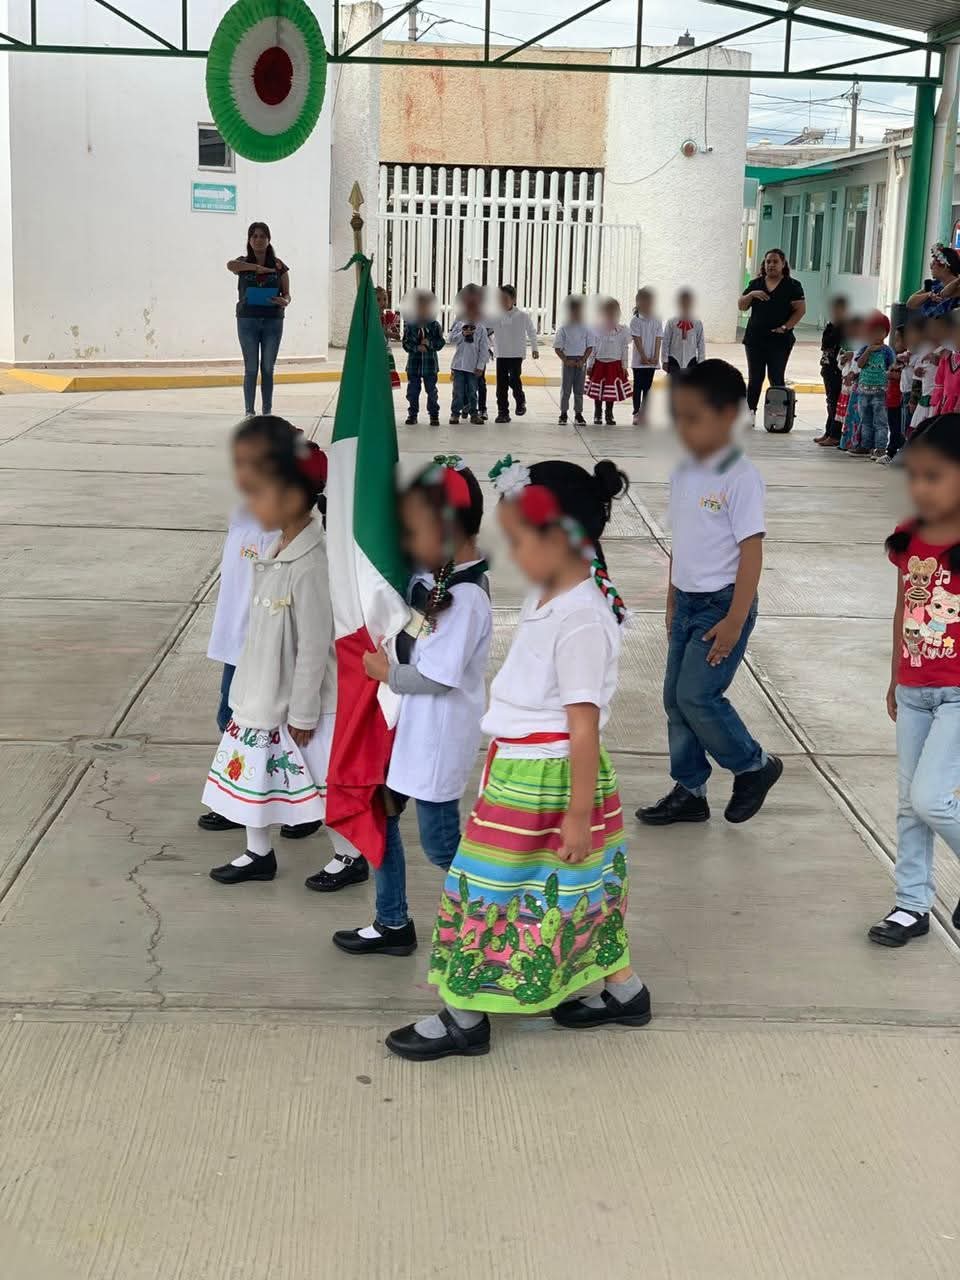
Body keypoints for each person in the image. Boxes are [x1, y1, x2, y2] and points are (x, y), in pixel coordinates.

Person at [385, 455, 650, 1061]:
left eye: (520, 542)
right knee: (581, 890)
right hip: (526, 770)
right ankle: (624, 991)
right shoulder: (556, 592)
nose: (511, 557)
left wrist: (577, 815)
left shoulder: (582, 618)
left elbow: (582, 729)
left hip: (546, 781)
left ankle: (463, 1016)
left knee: (478, 890)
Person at [329, 458, 493, 955]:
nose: (407, 540)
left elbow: (436, 678)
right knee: (382, 813)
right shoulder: (432, 577)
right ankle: (391, 920)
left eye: (415, 528)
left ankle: (493, 925)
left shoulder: (466, 599)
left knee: (444, 845)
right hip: (405, 730)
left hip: (436, 740)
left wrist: (385, 673)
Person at [200, 416, 363, 885]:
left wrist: (306, 712)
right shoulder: (276, 550)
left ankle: (350, 856)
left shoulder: (312, 563)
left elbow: (315, 644)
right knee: (254, 772)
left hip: (296, 702)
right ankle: (257, 852)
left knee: (315, 783)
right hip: (261, 693)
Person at [637, 360, 783, 828]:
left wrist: (736, 619)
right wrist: (672, 599)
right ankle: (690, 790)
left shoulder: (739, 476)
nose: (683, 427)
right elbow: (685, 541)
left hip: (723, 604)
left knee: (698, 696)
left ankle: (753, 766)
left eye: (693, 417)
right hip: (686, 601)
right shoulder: (684, 472)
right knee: (674, 701)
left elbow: (751, 553)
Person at [869, 414, 960, 947]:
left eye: (935, 476)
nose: (921, 488)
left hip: (957, 693)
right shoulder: (908, 539)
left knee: (932, 799)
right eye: (916, 477)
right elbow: (903, 607)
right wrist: (894, 677)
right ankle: (910, 904)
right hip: (914, 688)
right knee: (909, 803)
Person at [197, 427, 278, 836]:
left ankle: (294, 806)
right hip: (236, 641)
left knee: (267, 725)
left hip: (266, 643)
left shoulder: (281, 524)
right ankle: (238, 798)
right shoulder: (242, 513)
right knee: (229, 717)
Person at [227, 222, 290, 418]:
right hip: (247, 320)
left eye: (262, 236)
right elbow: (230, 265)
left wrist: (283, 300)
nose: (258, 239)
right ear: (249, 240)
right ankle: (249, 412)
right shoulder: (242, 263)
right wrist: (257, 268)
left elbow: (287, 295)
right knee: (251, 367)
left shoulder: (279, 266)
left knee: (268, 368)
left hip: (273, 320)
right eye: (254, 236)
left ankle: (267, 412)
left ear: (269, 239)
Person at [739, 248, 806, 417]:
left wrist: (785, 327)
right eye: (768, 261)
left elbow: (800, 310)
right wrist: (752, 294)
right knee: (755, 378)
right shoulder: (756, 284)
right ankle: (750, 413)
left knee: (776, 377)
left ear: (783, 264)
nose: (771, 265)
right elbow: (741, 305)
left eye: (775, 261)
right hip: (755, 339)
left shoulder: (792, 286)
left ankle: (777, 415)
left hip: (779, 340)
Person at [488, 284, 539, 424]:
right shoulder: (496, 316)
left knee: (514, 379)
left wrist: (535, 348)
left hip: (516, 354)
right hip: (501, 354)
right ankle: (503, 413)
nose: (502, 302)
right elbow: (484, 327)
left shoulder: (522, 316)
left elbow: (532, 332)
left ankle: (520, 399)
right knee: (501, 385)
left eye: (505, 299)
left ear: (513, 299)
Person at [849, 310, 895, 459]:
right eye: (873, 331)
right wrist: (868, 350)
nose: (876, 335)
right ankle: (865, 445)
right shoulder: (865, 348)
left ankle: (880, 447)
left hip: (880, 392)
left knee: (880, 421)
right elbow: (860, 364)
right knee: (865, 419)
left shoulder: (887, 351)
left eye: (880, 331)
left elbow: (891, 366)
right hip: (863, 391)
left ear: (885, 333)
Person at [447, 285, 489, 426]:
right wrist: (462, 334)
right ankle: (455, 414)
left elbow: (484, 349)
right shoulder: (459, 323)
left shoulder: (481, 327)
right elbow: (450, 339)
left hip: (473, 367)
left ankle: (473, 413)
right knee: (458, 392)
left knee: (472, 391)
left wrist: (480, 366)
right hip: (459, 365)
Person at [402, 291, 445, 427]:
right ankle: (412, 414)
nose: (422, 310)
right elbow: (406, 343)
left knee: (431, 391)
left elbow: (440, 343)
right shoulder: (410, 325)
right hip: (414, 366)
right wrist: (416, 348)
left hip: (430, 366)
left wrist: (430, 344)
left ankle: (434, 414)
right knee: (413, 391)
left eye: (426, 307)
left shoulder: (434, 326)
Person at [585, 297, 630, 426]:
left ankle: (609, 413)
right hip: (599, 364)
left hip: (615, 364)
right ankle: (597, 413)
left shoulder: (622, 331)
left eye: (613, 312)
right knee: (598, 390)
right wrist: (590, 364)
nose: (610, 314)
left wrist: (624, 366)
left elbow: (624, 348)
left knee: (610, 392)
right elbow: (592, 348)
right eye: (607, 312)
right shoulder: (597, 329)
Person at [908, 312, 952, 439]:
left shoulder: (949, 348)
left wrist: (937, 358)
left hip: (940, 397)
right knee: (918, 429)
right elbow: (917, 377)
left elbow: (951, 366)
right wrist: (913, 399)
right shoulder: (924, 348)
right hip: (925, 396)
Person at [553, 295, 593, 425]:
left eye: (579, 311)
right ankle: (563, 413)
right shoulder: (564, 329)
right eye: (573, 311)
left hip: (581, 361)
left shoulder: (586, 329)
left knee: (579, 390)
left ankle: (578, 414)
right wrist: (565, 360)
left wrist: (583, 360)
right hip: (568, 361)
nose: (576, 314)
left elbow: (590, 347)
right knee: (566, 389)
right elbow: (557, 347)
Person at [815, 295, 847, 446]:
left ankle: (835, 434)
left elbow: (834, 342)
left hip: (837, 369)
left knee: (835, 402)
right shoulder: (831, 325)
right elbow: (824, 343)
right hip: (827, 367)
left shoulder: (845, 327)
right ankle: (829, 431)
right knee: (830, 401)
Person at [629, 287, 663, 425]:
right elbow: (637, 340)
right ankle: (636, 412)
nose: (647, 304)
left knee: (648, 387)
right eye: (644, 301)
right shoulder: (635, 321)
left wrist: (656, 357)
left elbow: (658, 338)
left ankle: (645, 413)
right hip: (639, 361)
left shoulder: (657, 320)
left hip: (651, 361)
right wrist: (643, 356)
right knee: (638, 386)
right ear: (638, 303)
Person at [877, 325, 907, 464]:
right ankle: (893, 451)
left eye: (898, 340)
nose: (896, 344)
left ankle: (892, 452)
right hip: (891, 398)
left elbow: (900, 375)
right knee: (893, 426)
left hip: (899, 399)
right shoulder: (899, 358)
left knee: (898, 428)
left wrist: (890, 374)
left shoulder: (907, 358)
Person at [905, 243, 960, 318]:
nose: (931, 266)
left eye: (934, 263)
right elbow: (910, 304)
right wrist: (928, 295)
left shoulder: (957, 287)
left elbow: (945, 294)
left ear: (945, 267)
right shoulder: (933, 284)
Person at [837, 315, 865, 453]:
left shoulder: (866, 344)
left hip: (859, 383)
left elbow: (860, 363)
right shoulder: (850, 344)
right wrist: (843, 361)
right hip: (849, 384)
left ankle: (854, 442)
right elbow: (842, 361)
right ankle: (846, 442)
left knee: (857, 415)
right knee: (849, 415)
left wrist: (853, 374)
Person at [661, 289, 705, 378]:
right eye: (683, 302)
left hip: (691, 359)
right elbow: (666, 342)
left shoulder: (697, 323)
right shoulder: (671, 322)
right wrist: (664, 360)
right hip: (674, 359)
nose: (685, 305)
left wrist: (701, 362)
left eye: (688, 302)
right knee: (673, 385)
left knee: (689, 386)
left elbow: (701, 344)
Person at [377, 285, 402, 392]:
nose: (383, 302)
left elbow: (395, 331)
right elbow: (378, 332)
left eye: (385, 299)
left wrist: (395, 332)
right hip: (374, 351)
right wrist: (390, 334)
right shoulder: (371, 318)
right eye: (378, 300)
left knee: (387, 375)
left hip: (386, 350)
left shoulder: (387, 316)